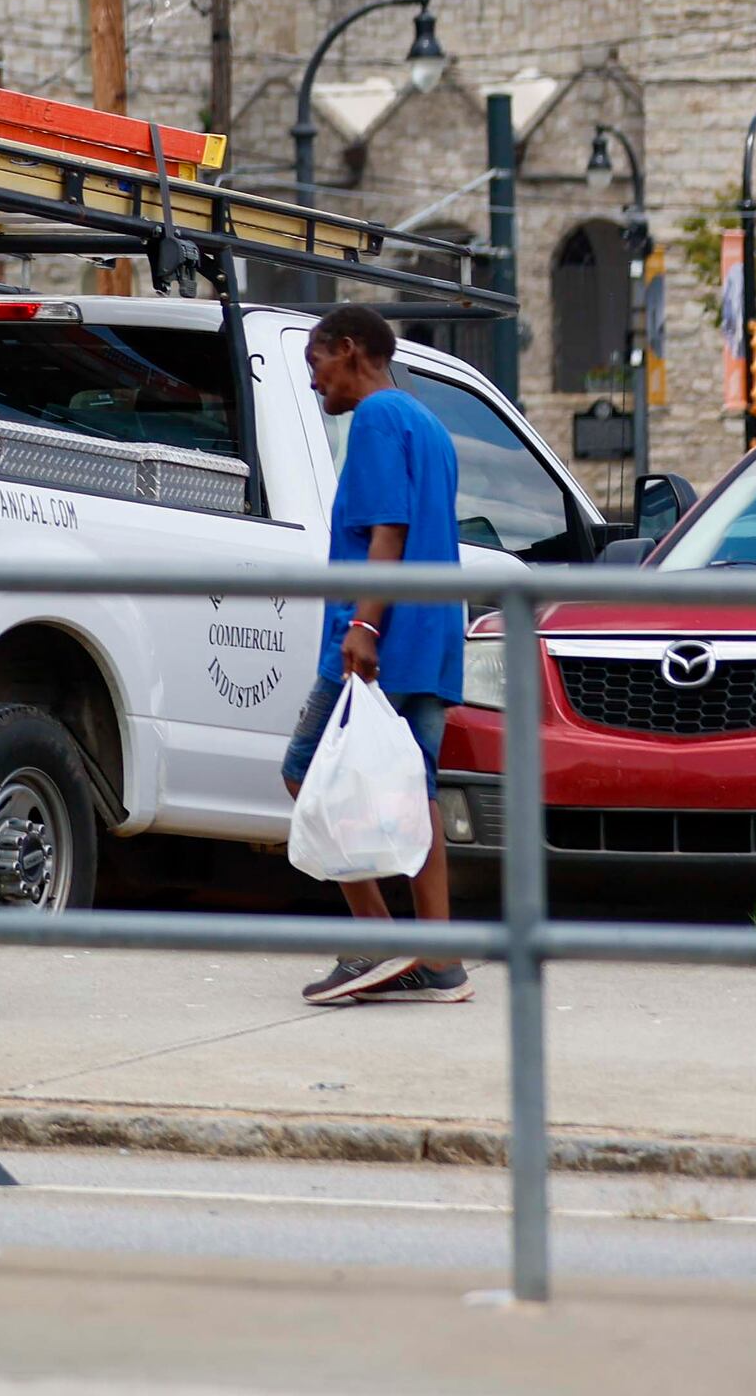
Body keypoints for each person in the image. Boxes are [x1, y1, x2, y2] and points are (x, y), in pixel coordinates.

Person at [288, 303, 471, 1006]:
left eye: (316, 363)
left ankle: (374, 938)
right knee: (414, 786)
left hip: (378, 641)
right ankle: (439, 957)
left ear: (352, 349)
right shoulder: (429, 424)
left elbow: (385, 533)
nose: (314, 383)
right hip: (432, 639)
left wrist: (363, 627)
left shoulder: (373, 419)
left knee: (304, 770)